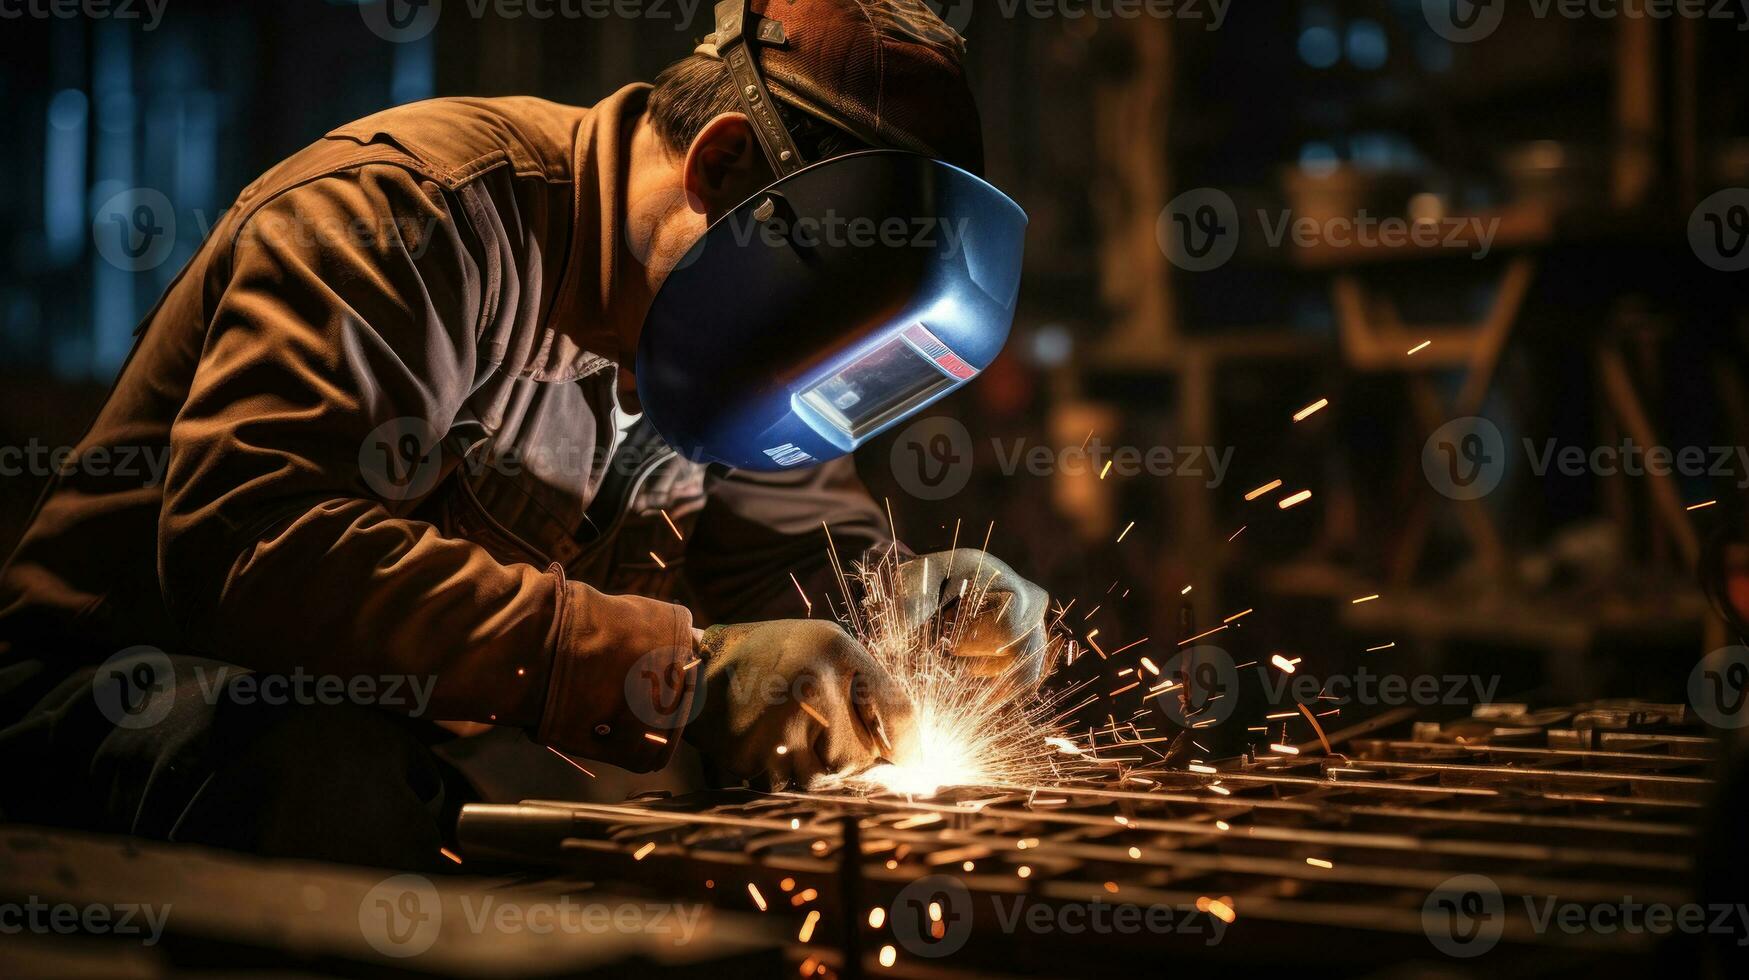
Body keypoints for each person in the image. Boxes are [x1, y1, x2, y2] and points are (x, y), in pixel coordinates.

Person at [0, 0, 1047, 870]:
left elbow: (786, 582)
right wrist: (681, 670)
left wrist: (902, 621)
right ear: (725, 170)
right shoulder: (408, 216)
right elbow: (254, 541)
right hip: (107, 711)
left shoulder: (734, 335)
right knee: (345, 787)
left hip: (387, 747)